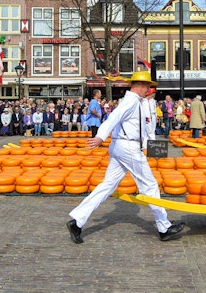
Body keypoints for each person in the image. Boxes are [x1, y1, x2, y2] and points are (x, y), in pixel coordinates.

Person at [66, 71, 185, 244]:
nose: (149, 90)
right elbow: (113, 118)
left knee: (107, 185)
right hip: (128, 147)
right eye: (147, 87)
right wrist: (101, 136)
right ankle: (164, 227)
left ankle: (77, 220)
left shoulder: (135, 102)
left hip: (121, 146)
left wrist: (146, 146)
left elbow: (140, 128)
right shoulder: (130, 102)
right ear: (140, 85)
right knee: (150, 184)